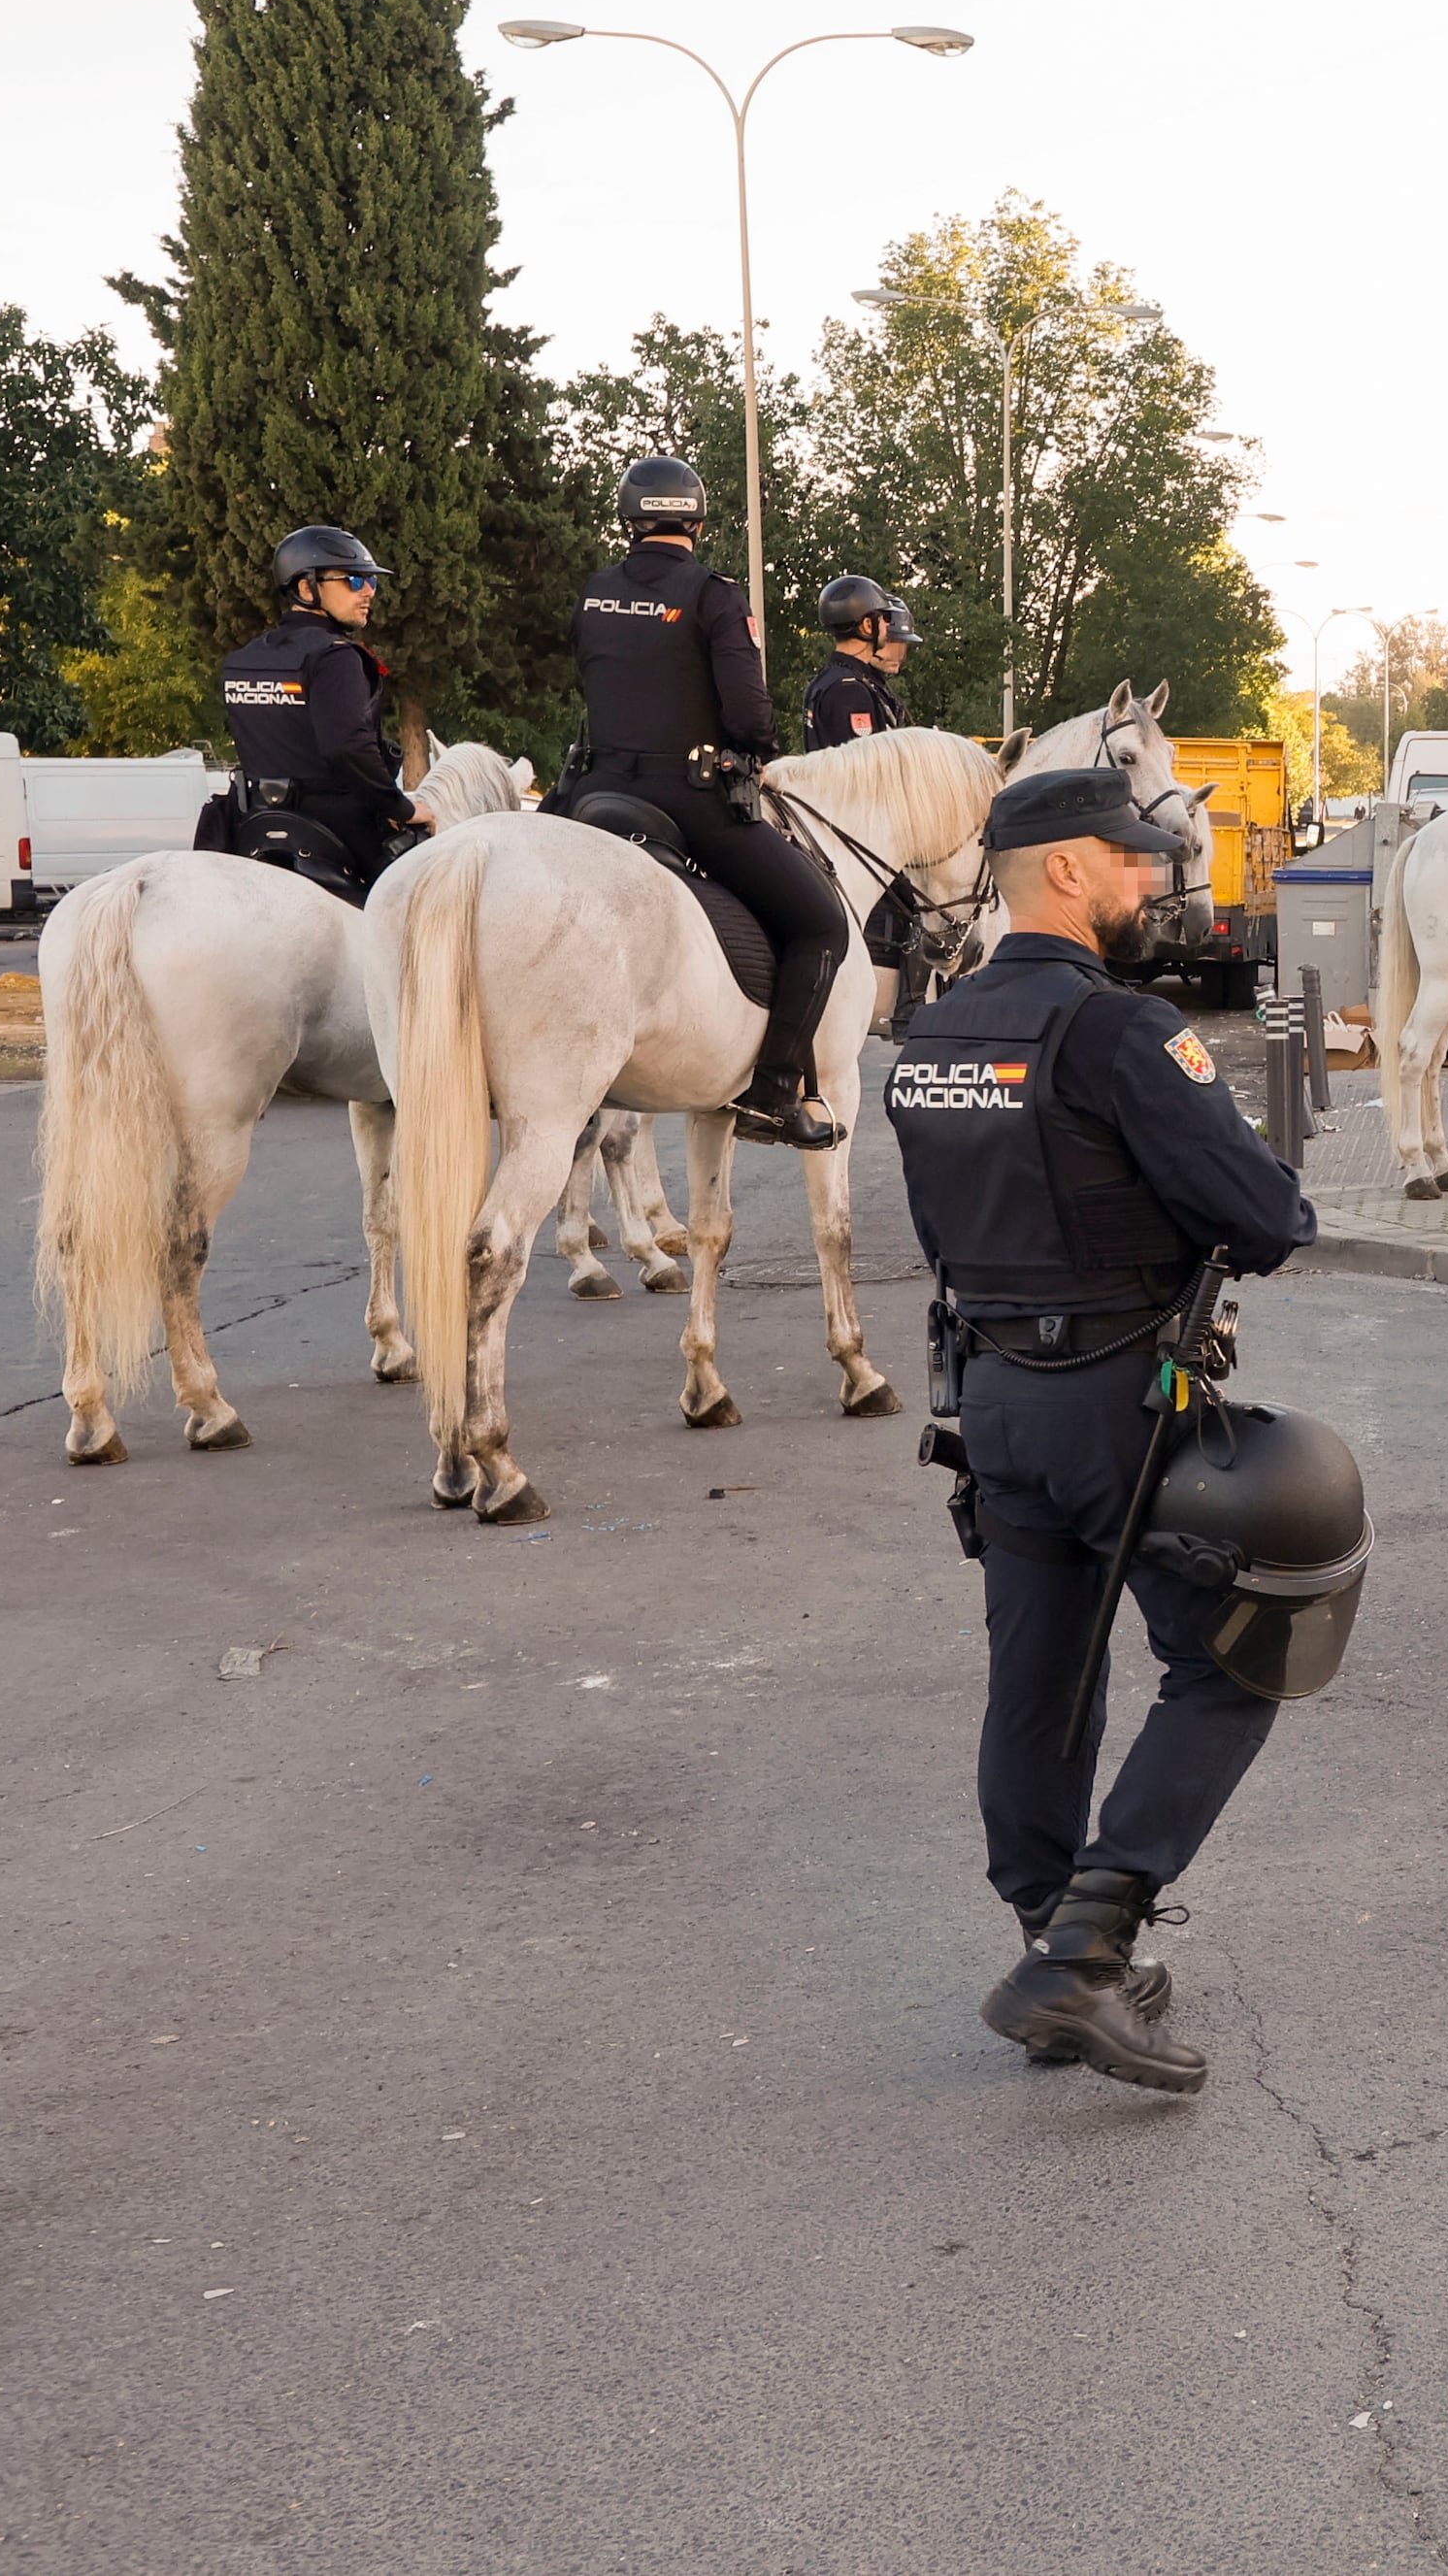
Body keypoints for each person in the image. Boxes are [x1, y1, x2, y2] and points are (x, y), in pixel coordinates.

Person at [888, 761, 1319, 2093]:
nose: (1152, 880)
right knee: (1239, 1664)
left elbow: (940, 1232)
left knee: (1044, 1677)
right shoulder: (1120, 1030)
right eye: (1132, 860)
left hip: (993, 1400)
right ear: (1065, 870)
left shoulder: (936, 1033)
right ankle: (1085, 1953)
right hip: (1119, 1403)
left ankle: (1045, 1939)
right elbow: (1265, 1217)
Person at [565, 454, 854, 1148]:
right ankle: (776, 1091)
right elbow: (750, 718)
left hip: (590, 792)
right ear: (695, 518)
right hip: (686, 798)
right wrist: (750, 746)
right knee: (821, 926)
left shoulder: (593, 592)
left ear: (629, 518)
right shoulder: (713, 595)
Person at [214, 523, 417, 894]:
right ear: (306, 588)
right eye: (353, 581)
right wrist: (402, 809)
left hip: (253, 820)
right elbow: (347, 747)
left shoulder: (242, 660)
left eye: (372, 582)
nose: (368, 591)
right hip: (334, 826)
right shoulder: (334, 657)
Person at [801, 576, 915, 750]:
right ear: (868, 625)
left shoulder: (828, 679)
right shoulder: (849, 691)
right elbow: (866, 769)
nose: (887, 625)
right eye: (884, 617)